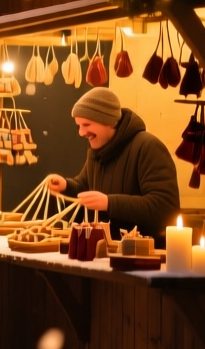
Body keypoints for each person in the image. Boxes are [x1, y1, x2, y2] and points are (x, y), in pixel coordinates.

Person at [44, 87, 180, 239]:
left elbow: (164, 206)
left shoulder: (147, 147)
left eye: (86, 125)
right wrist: (65, 185)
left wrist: (109, 203)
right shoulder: (97, 150)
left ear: (107, 121)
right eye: (79, 126)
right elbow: (84, 187)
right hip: (101, 253)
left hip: (139, 256)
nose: (81, 133)